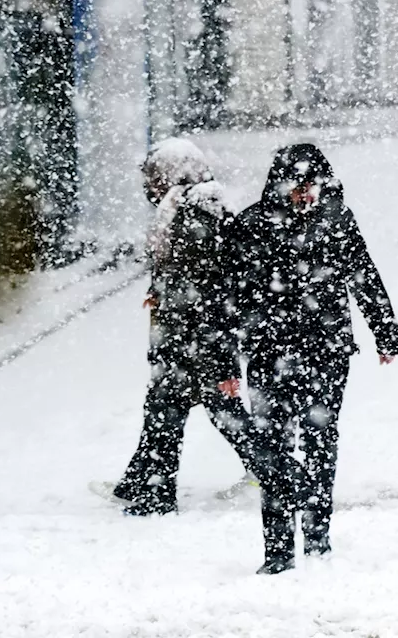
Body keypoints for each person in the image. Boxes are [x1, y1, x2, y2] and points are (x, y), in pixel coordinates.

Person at [232, 142, 398, 574]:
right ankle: (277, 550)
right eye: (295, 184)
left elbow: (363, 275)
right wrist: (229, 344)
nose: (303, 193)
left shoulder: (336, 221)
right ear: (279, 184)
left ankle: (317, 539)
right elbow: (228, 291)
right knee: (271, 444)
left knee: (320, 440)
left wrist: (385, 331)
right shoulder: (253, 225)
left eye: (310, 184)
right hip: (269, 354)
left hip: (326, 352)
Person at [96, 138, 269, 516]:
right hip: (187, 337)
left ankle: (155, 495)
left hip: (191, 340)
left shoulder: (195, 213)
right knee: (175, 412)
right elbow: (190, 277)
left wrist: (218, 355)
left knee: (172, 412)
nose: (149, 187)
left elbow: (208, 288)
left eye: (154, 177)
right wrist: (159, 291)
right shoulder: (190, 207)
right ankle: (140, 486)